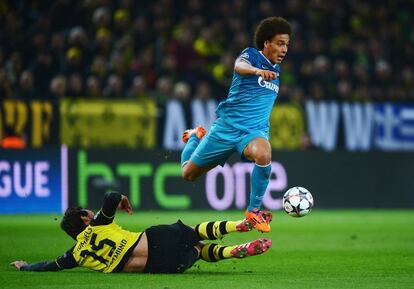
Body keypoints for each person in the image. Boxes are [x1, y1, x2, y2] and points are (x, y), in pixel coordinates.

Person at [181, 17, 291, 233]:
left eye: (287, 44)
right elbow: (239, 66)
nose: (285, 49)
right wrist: (256, 71)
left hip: (253, 132)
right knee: (188, 175)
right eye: (280, 43)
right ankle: (195, 136)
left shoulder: (277, 72)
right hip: (225, 129)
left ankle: (254, 211)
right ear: (266, 43)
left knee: (264, 154)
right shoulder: (251, 55)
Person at [10, 192, 273, 274]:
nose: (90, 212)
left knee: (199, 251)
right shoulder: (99, 223)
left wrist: (24, 267)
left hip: (164, 267)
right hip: (154, 240)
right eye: (85, 211)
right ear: (84, 219)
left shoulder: (76, 254)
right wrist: (123, 200)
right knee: (194, 232)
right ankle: (239, 224)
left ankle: (233, 252)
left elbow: (48, 266)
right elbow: (111, 196)